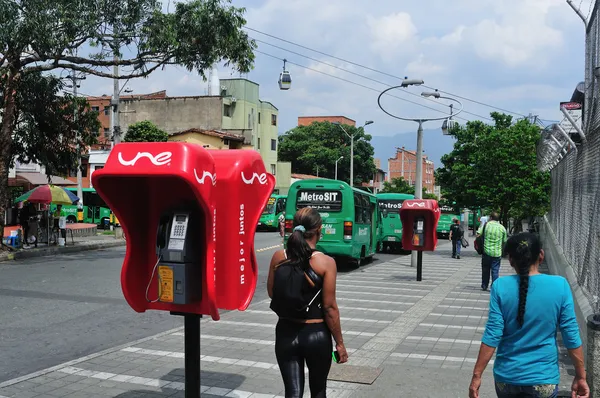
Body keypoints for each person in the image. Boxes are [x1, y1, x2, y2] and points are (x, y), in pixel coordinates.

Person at [469, 232, 589, 398]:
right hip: (543, 380)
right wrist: (581, 375)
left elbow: (492, 334)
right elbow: (571, 335)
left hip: (507, 379)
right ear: (541, 255)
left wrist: (477, 376)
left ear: (510, 259)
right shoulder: (559, 285)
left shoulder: (500, 287)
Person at [268, 207, 348, 398]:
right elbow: (329, 308)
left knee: (293, 392)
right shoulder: (326, 263)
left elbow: (272, 293)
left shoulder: (280, 257)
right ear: (319, 230)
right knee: (318, 390)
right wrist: (340, 343)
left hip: (286, 332)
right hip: (316, 334)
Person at [476, 212, 507, 291]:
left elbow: (478, 235)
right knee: (495, 270)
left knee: (485, 269)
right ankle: (494, 287)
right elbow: (504, 241)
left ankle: (484, 285)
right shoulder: (502, 228)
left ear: (491, 217)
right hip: (497, 253)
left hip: (486, 251)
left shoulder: (486, 225)